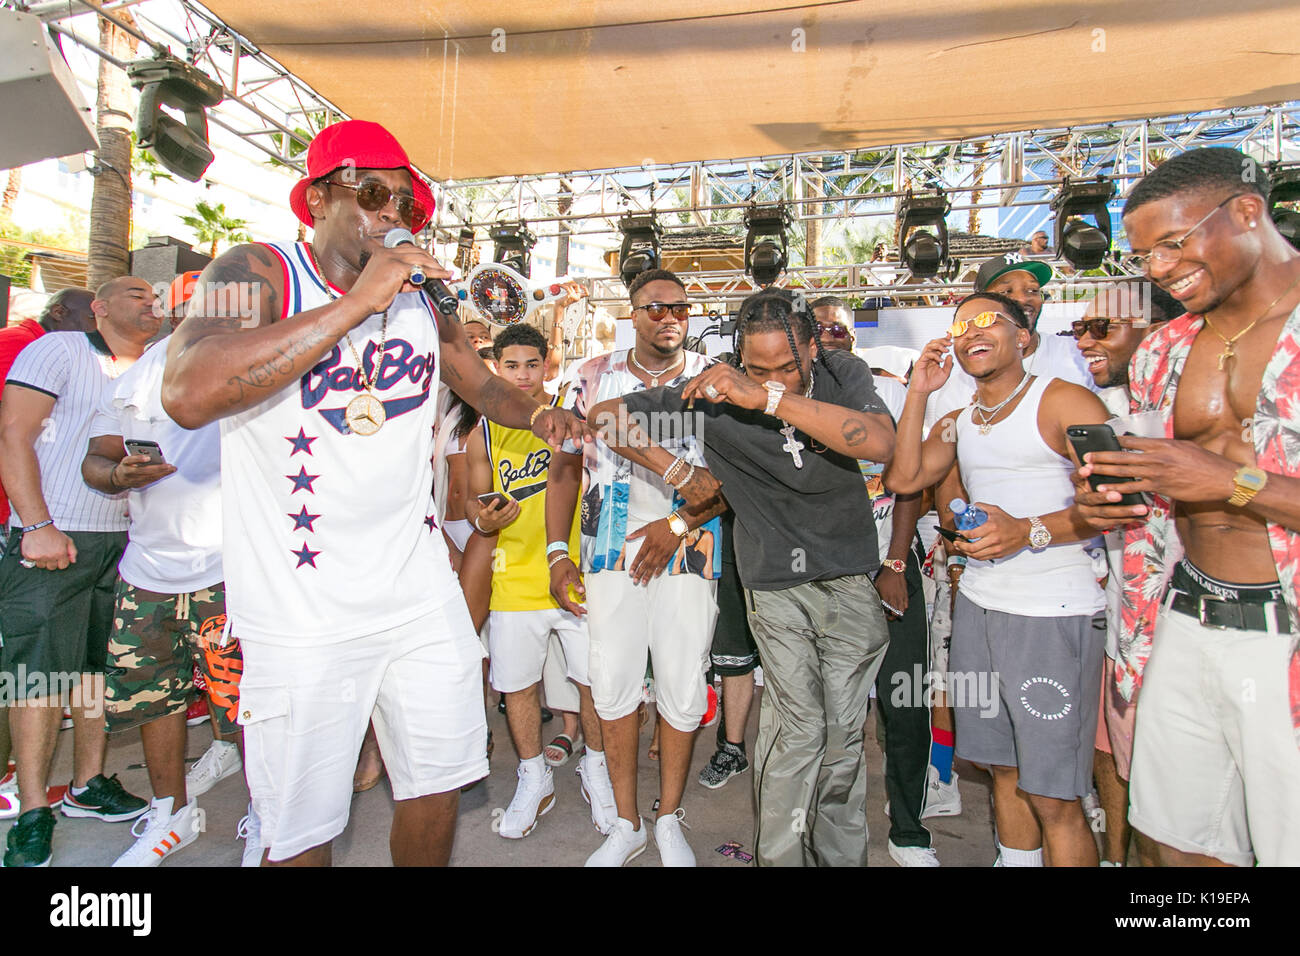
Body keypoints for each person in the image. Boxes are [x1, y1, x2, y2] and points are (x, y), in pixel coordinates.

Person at [160, 118, 588, 867]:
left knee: (439, 781)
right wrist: (357, 302)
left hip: (416, 592)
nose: (395, 216)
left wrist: (543, 414)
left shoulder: (424, 299)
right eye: (376, 195)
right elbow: (189, 390)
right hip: (302, 609)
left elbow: (481, 383)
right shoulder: (258, 270)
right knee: (301, 825)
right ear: (320, 195)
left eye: (410, 207)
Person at [593, 287, 897, 867]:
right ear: (737, 356)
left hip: (851, 579)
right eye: (756, 368)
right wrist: (678, 470)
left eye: (787, 365)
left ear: (811, 347)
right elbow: (605, 416)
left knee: (844, 740)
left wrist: (769, 398)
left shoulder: (841, 370)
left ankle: (839, 858)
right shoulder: (712, 391)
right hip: (773, 583)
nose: (771, 376)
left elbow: (880, 443)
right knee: (800, 731)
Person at [1074, 147, 1300, 866]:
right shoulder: (1163, 350)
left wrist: (1236, 483)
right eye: (1146, 256)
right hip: (1182, 616)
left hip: (1283, 634)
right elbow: (1167, 491)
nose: (1160, 270)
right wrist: (1114, 495)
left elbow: (1217, 479)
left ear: (1246, 212)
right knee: (1175, 839)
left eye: (1173, 244)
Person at [887, 290, 1111, 867]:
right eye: (960, 325)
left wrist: (1029, 531)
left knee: (1054, 793)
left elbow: (1120, 501)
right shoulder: (960, 422)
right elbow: (904, 476)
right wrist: (918, 392)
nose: (970, 331)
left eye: (989, 320)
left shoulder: (1066, 403)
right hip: (981, 609)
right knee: (1004, 771)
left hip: (1053, 614)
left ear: (1025, 339)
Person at [548, 268, 724, 867]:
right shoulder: (591, 377)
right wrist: (556, 551)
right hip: (607, 553)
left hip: (690, 552)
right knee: (614, 685)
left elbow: (733, 481)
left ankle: (668, 817)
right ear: (633, 313)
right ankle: (626, 824)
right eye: (654, 308)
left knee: (682, 684)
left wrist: (674, 527)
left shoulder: (714, 380)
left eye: (679, 307)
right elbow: (564, 467)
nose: (669, 317)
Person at [0, 277, 159, 867]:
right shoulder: (59, 349)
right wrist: (35, 523)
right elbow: (13, 432)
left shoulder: (151, 366)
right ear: (99, 307)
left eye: (155, 297)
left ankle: (87, 783)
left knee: (95, 669)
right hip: (53, 533)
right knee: (38, 674)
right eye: (137, 294)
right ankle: (34, 806)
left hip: (122, 538)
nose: (152, 302)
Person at [80, 300, 244, 866]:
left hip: (232, 571)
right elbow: (97, 460)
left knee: (252, 702)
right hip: (146, 573)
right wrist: (119, 474)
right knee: (155, 701)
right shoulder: (133, 379)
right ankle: (172, 815)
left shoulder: (248, 369)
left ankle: (271, 812)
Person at [464, 322, 614, 839]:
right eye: (511, 366)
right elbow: (472, 499)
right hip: (512, 578)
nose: (523, 376)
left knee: (594, 683)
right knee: (518, 685)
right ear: (496, 369)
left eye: (532, 365)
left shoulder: (572, 416)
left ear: (548, 365)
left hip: (577, 574)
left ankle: (597, 769)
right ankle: (534, 776)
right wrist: (485, 518)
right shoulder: (481, 428)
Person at [1065, 280, 1183, 865]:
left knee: (1178, 801)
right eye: (1079, 329)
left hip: (1189, 632)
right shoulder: (1103, 413)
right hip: (1121, 626)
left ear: (1160, 332)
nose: (1085, 340)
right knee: (1112, 757)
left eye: (1101, 328)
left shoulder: (1202, 415)